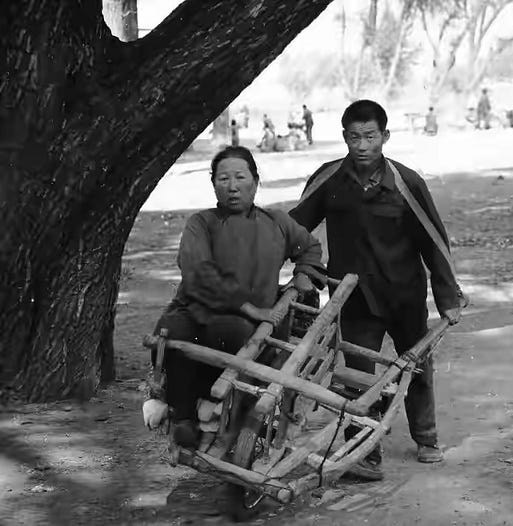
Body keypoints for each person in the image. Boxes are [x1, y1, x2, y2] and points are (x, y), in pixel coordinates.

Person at [290, 100, 463, 481]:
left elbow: (434, 240)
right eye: (354, 137)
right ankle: (364, 454)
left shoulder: (406, 182)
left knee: (414, 367)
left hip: (404, 294)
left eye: (370, 136)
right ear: (344, 138)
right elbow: (293, 229)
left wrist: (448, 298)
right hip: (355, 298)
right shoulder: (330, 178)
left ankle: (427, 437)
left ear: (384, 136)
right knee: (356, 377)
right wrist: (305, 269)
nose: (362, 145)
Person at [143, 146, 326, 448]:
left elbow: (309, 248)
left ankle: (227, 413)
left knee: (234, 335)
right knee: (171, 331)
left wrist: (303, 275)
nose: (232, 186)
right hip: (198, 308)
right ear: (213, 183)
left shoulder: (278, 222)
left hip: (250, 322)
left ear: (255, 181)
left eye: (240, 177)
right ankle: (185, 417)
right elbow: (198, 272)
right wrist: (246, 306)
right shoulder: (201, 223)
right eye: (223, 178)